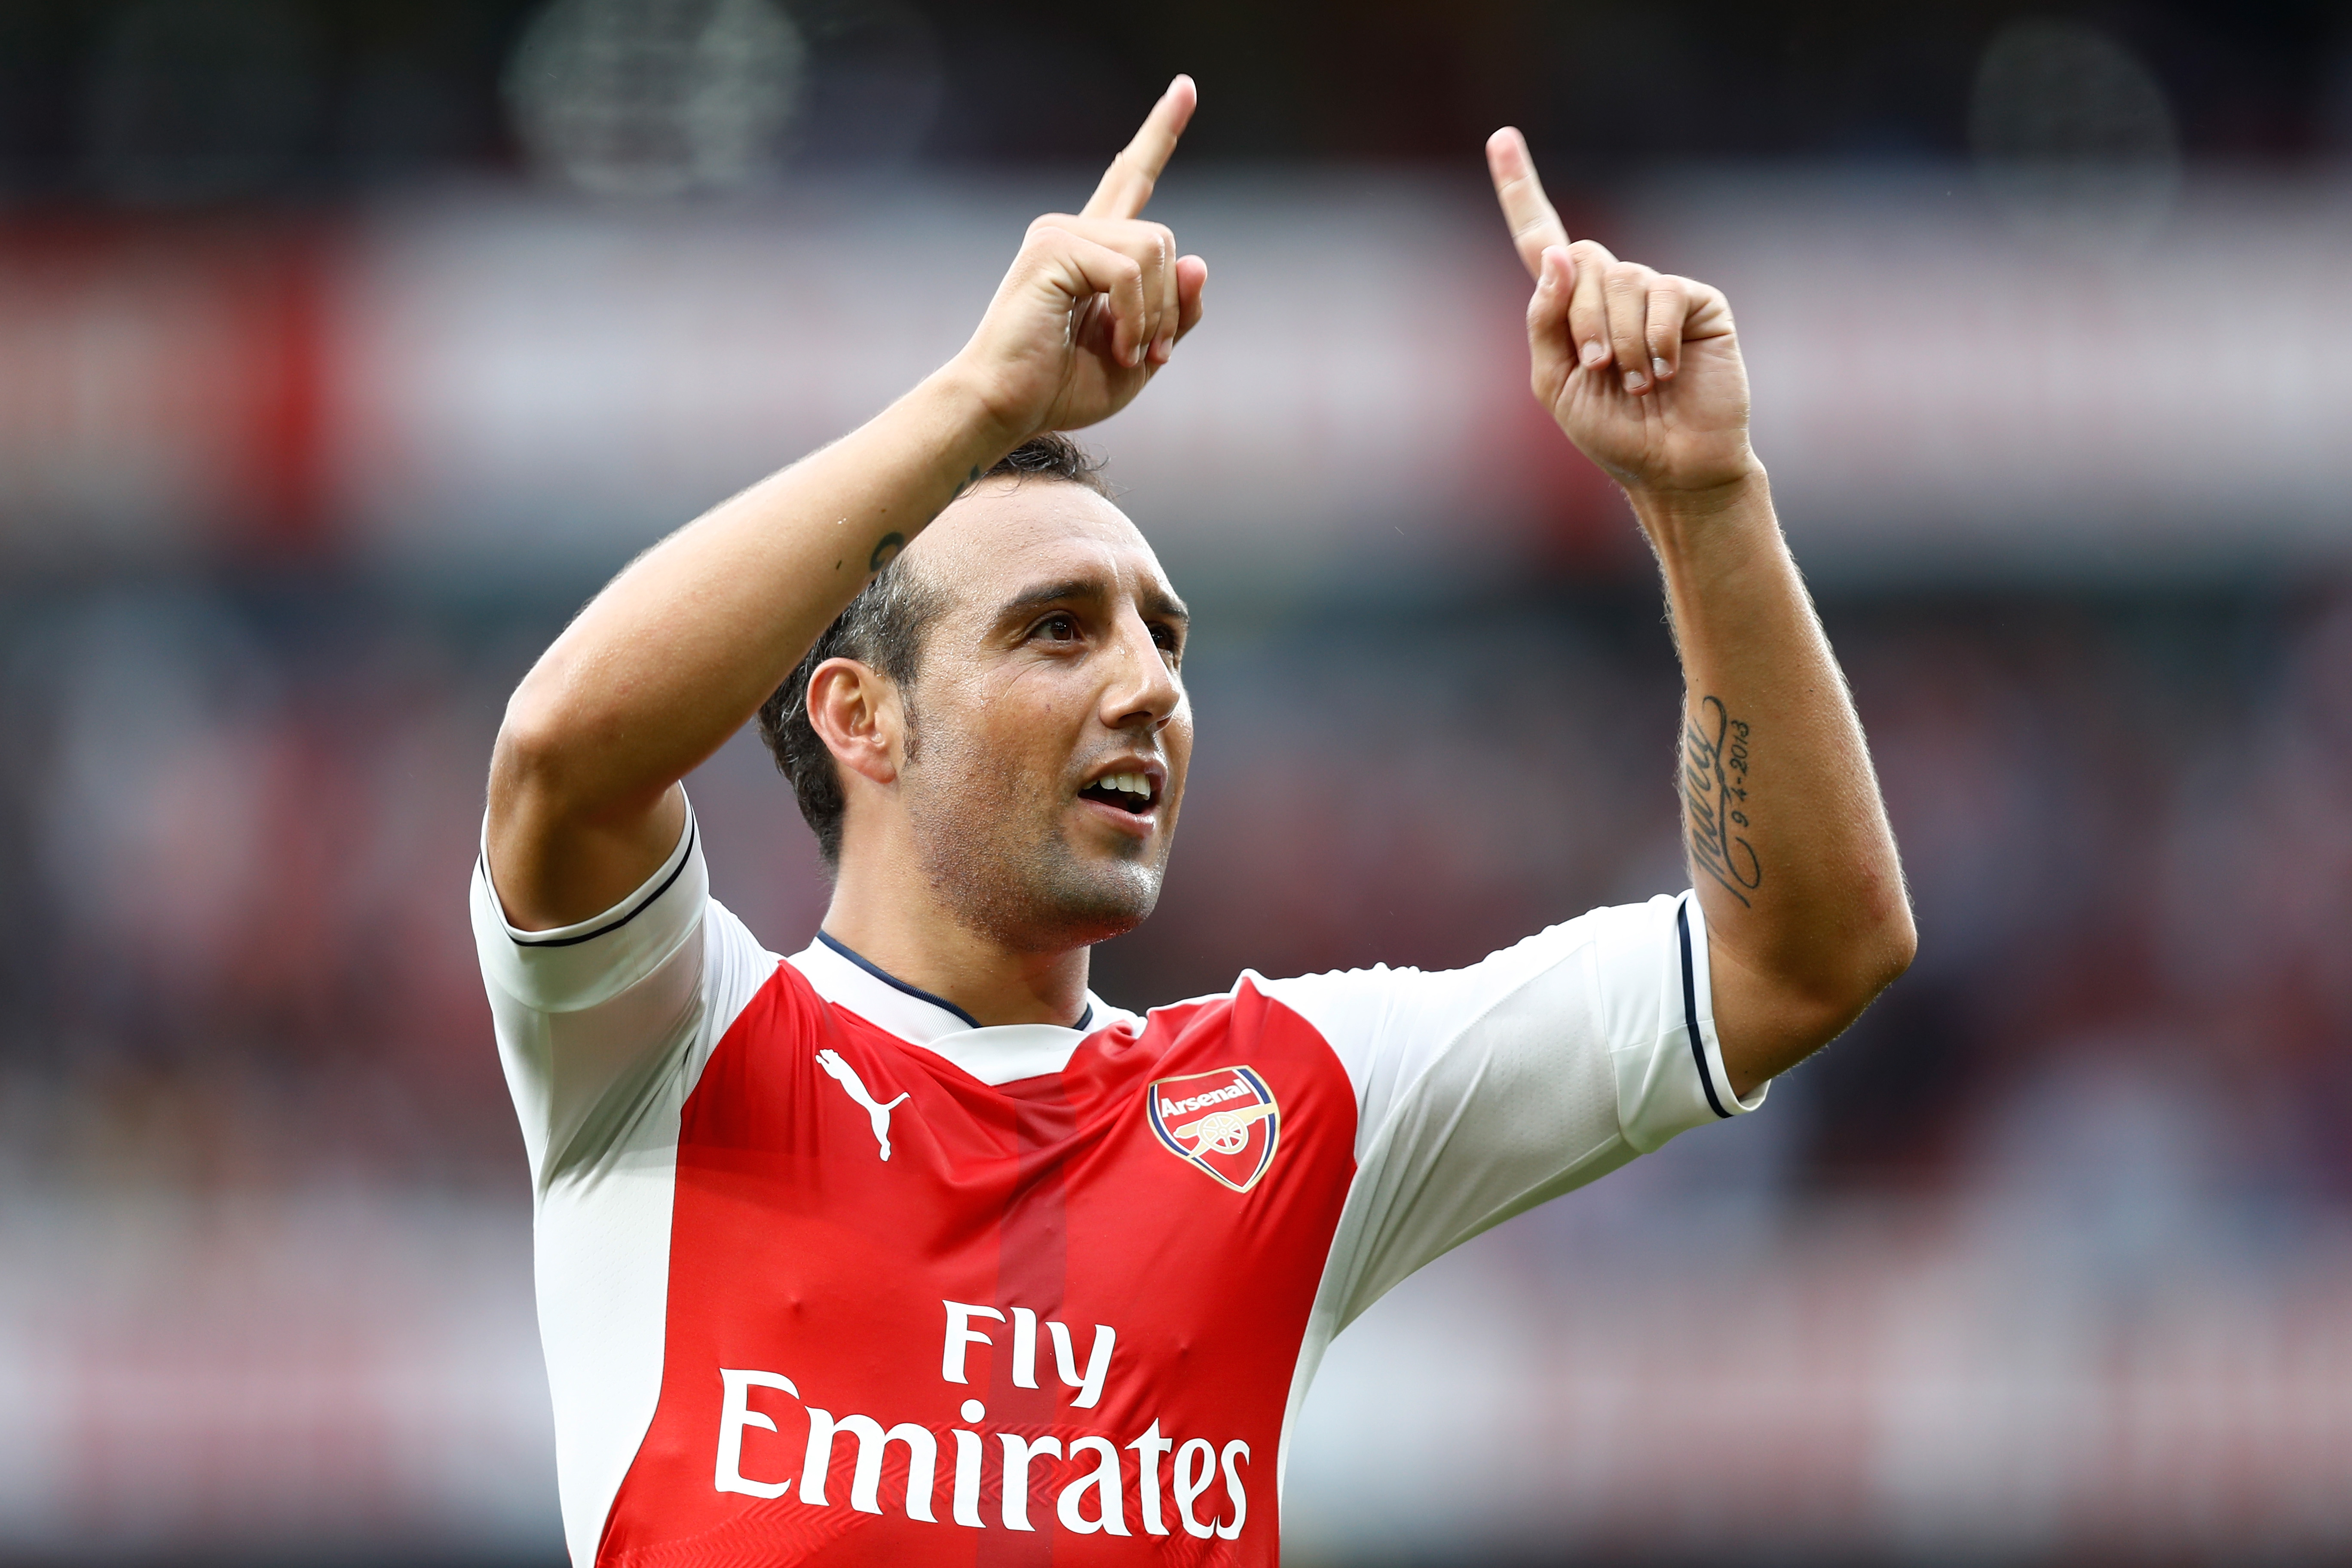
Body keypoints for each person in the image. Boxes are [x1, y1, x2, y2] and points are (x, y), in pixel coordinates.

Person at [472, 75, 1914, 1567]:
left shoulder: (1296, 1105)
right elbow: (564, 759)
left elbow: (1802, 956)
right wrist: (982, 402)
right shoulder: (675, 1052)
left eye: (1165, 638)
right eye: (1056, 629)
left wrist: (1705, 499)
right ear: (859, 715)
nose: (1146, 685)